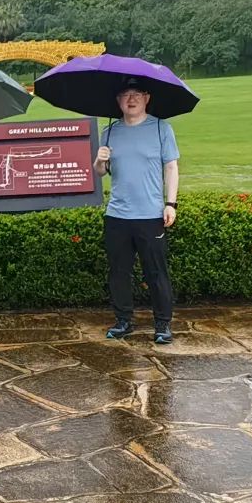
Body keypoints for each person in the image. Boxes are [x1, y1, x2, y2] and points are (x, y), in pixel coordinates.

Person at [93, 77, 180, 345]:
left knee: (156, 272)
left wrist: (171, 203)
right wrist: (100, 160)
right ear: (118, 100)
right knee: (119, 272)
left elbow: (171, 167)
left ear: (147, 98)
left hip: (150, 215)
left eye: (137, 94)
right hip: (118, 215)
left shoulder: (161, 128)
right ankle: (123, 320)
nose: (131, 99)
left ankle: (162, 323)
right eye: (125, 94)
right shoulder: (109, 131)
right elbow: (102, 172)